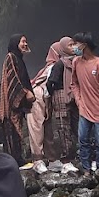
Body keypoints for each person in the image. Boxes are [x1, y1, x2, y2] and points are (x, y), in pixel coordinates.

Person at [26, 37, 79, 167]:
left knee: (48, 128)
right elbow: (47, 83)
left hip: (47, 100)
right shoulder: (54, 67)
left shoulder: (64, 65)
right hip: (38, 100)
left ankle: (50, 158)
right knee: (38, 128)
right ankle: (38, 159)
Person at [68, 32, 99, 171]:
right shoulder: (76, 62)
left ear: (84, 45)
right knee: (83, 140)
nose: (73, 47)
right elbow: (74, 83)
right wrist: (79, 100)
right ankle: (86, 169)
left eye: (75, 44)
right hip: (84, 109)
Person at [0, 34, 35, 162]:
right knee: (12, 132)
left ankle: (17, 159)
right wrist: (25, 93)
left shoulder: (18, 58)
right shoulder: (11, 57)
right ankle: (13, 161)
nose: (25, 44)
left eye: (26, 41)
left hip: (17, 104)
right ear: (15, 43)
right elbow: (13, 79)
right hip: (10, 104)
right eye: (23, 42)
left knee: (16, 133)